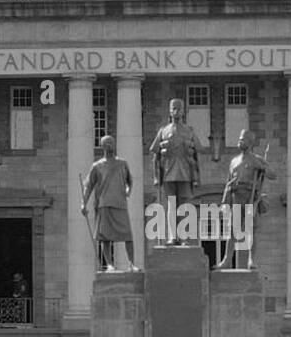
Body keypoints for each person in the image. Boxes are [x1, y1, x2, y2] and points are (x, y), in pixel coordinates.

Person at [218, 129, 275, 270]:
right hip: (236, 196)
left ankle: (251, 260)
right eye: (239, 138)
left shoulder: (257, 159)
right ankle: (226, 260)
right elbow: (228, 183)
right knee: (232, 231)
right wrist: (225, 202)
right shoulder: (234, 161)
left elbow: (273, 175)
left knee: (251, 230)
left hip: (250, 197)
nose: (240, 141)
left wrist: (263, 167)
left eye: (243, 139)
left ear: (250, 142)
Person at [81, 135, 138, 272]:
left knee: (127, 235)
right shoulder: (97, 166)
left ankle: (131, 263)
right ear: (102, 146)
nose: (110, 145)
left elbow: (130, 180)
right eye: (107, 143)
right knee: (105, 237)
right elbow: (88, 186)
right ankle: (110, 264)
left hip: (120, 203)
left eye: (112, 143)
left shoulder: (122, 163)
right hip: (104, 203)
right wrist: (83, 203)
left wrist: (128, 190)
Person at [148, 97, 201, 244]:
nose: (176, 111)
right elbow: (155, 155)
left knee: (184, 205)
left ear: (184, 111)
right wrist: (156, 177)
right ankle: (172, 236)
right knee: (171, 204)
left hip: (185, 172)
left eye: (179, 108)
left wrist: (197, 176)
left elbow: (198, 151)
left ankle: (183, 236)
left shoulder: (189, 131)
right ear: (170, 111)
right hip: (168, 172)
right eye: (174, 108)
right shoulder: (163, 131)